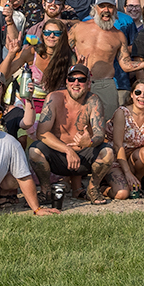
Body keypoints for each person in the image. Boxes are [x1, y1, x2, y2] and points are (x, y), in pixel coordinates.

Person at [29, 66, 112, 207]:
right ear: (66, 82)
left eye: (81, 80)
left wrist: (90, 142)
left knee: (108, 152)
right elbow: (42, 133)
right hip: (59, 157)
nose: (76, 83)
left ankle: (93, 189)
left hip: (83, 157)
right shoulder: (54, 98)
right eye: (72, 79)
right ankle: (46, 191)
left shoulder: (93, 100)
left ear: (89, 83)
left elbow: (99, 133)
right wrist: (67, 150)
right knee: (34, 151)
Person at [66, 0, 131, 121]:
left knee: (108, 124)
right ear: (95, 8)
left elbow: (126, 64)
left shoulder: (119, 35)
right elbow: (63, 54)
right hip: (78, 81)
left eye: (110, 6)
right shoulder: (78, 27)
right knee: (76, 122)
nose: (106, 10)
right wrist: (75, 64)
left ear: (115, 10)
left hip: (105, 84)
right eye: (102, 6)